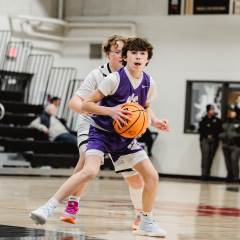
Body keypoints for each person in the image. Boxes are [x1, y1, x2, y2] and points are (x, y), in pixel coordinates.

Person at [30, 37, 169, 237]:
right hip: (99, 130)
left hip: (124, 138)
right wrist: (111, 111)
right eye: (132, 53)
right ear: (123, 57)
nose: (137, 57)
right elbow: (85, 104)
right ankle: (50, 207)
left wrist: (153, 122)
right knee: (89, 169)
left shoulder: (148, 82)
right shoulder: (109, 77)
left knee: (150, 177)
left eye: (142, 54)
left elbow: (144, 107)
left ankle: (145, 220)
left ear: (147, 59)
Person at [198, 104, 222, 180]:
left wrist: (212, 135)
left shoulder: (217, 120)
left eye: (213, 109)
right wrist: (207, 135)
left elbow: (218, 129)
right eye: (211, 109)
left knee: (210, 157)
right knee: (205, 157)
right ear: (208, 110)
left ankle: (208, 174)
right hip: (205, 140)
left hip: (214, 140)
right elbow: (201, 129)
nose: (212, 111)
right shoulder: (203, 120)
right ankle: (203, 175)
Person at [219, 108, 240, 182]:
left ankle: (236, 177)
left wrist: (232, 134)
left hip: (236, 145)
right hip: (225, 145)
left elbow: (237, 134)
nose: (231, 113)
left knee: (234, 160)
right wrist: (224, 135)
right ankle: (229, 176)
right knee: (227, 162)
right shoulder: (224, 122)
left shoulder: (238, 122)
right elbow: (219, 133)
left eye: (232, 112)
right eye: (229, 112)